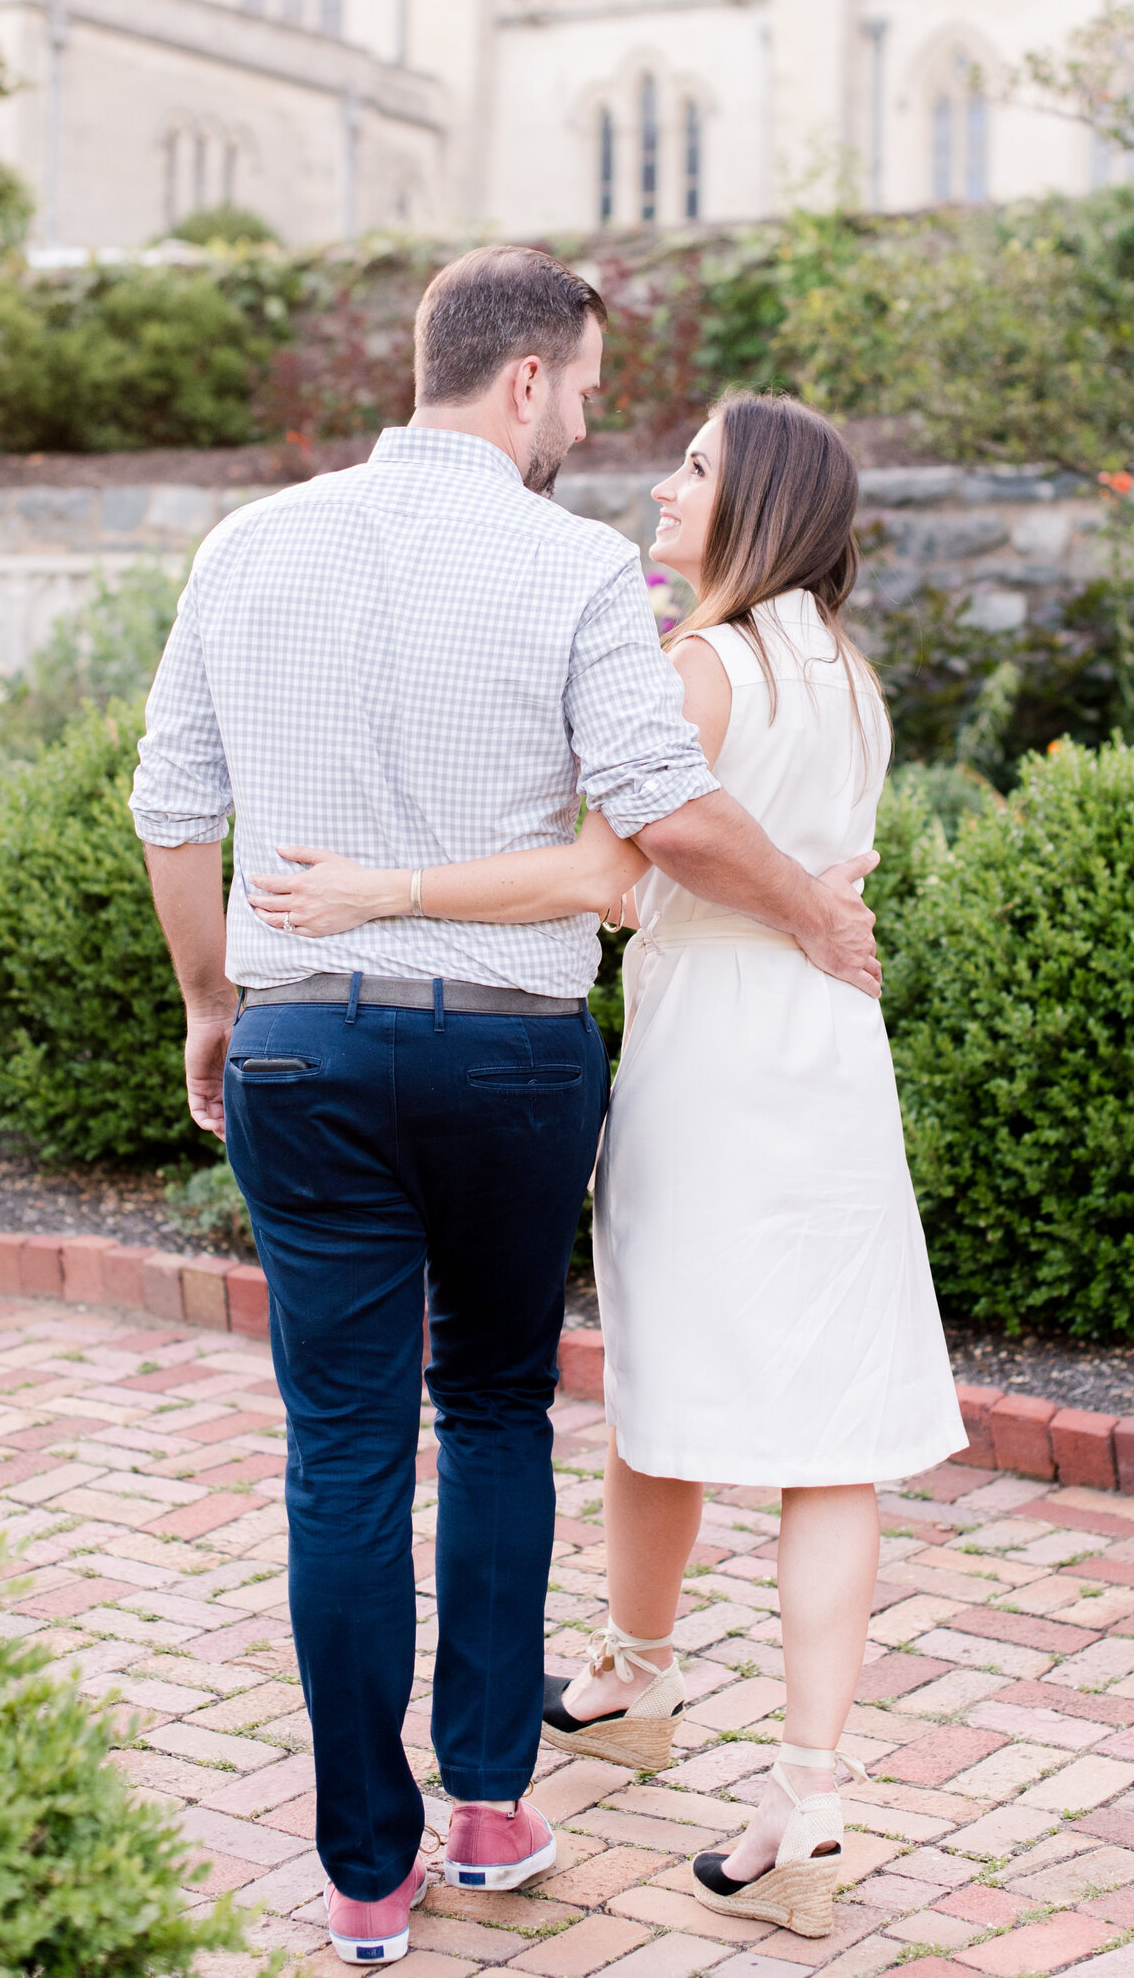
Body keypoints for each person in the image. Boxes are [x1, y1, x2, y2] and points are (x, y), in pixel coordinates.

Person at [130, 250, 882, 1966]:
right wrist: (820, 906)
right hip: (511, 1055)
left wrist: (210, 999)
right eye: (596, 387)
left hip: (303, 1048)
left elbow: (177, 807)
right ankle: (485, 1803)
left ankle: (365, 1871)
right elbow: (658, 808)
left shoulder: (245, 546)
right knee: (489, 1408)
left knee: (338, 1445)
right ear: (529, 382)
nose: (602, 421)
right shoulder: (575, 575)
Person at [246, 390, 967, 1944]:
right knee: (824, 1433)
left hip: (711, 1063)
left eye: (695, 467)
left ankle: (638, 1668)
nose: (662, 484)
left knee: (665, 1377)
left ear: (754, 504)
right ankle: (804, 1777)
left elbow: (608, 868)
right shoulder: (852, 677)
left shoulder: (696, 666)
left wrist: (383, 885)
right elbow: (802, 869)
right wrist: (794, 904)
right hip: (832, 1057)